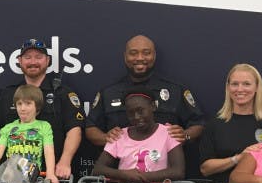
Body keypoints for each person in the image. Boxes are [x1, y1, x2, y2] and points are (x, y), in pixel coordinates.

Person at [85, 36, 204, 170]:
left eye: (146, 53)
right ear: (125, 56)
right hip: (118, 177)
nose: (140, 58)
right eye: (133, 53)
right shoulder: (108, 92)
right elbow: (90, 127)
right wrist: (106, 138)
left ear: (154, 55)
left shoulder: (175, 90)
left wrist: (185, 135)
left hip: (166, 179)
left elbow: (198, 124)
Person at [0, 38, 84, 183]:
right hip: (10, 179)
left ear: (48, 60)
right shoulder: (7, 94)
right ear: (19, 61)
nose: (33, 62)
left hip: (51, 178)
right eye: (27, 57)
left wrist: (64, 161)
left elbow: (74, 130)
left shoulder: (62, 93)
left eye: (38, 57)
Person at [91, 90, 184, 183]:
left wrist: (141, 177)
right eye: (130, 113)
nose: (136, 117)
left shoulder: (168, 133)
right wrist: (125, 175)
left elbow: (178, 171)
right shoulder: (119, 135)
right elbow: (98, 169)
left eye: (141, 111)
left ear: (153, 106)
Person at [0, 85, 59, 183]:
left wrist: (50, 173)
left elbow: (49, 150)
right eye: (19, 104)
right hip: (9, 180)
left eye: (28, 103)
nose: (23, 108)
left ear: (37, 106)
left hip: (31, 181)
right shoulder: (8, 128)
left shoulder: (44, 126)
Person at [199, 63, 262, 183]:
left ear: (257, 87)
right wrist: (237, 159)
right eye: (235, 84)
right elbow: (205, 169)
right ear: (228, 87)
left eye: (246, 84)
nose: (240, 89)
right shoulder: (215, 125)